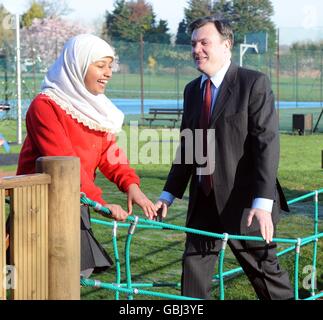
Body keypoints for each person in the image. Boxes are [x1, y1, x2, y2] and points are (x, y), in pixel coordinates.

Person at [155, 16, 294, 300]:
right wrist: (169, 193)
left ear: (226, 45)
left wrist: (263, 203)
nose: (196, 49)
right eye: (193, 44)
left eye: (204, 42)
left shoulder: (253, 83)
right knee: (193, 279)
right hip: (203, 202)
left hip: (246, 204)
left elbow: (267, 145)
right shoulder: (192, 90)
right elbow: (189, 146)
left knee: (267, 277)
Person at [16, 34, 156, 278]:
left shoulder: (96, 109)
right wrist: (100, 201)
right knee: (40, 279)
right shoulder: (45, 106)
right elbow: (65, 163)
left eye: (110, 66)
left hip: (74, 201)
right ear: (77, 65)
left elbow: (109, 155)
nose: (108, 73)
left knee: (72, 276)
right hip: (39, 206)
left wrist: (131, 185)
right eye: (100, 65)